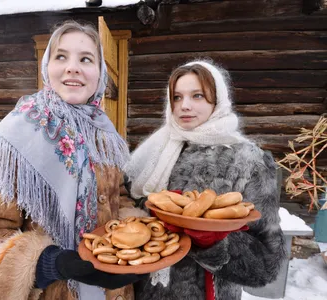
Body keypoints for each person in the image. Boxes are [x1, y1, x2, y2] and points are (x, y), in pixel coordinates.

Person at [0, 20, 142, 300]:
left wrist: (136, 233)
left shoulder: (105, 135)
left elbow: (117, 198)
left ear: (100, 73)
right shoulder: (17, 135)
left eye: (86, 59)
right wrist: (50, 264)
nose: (73, 67)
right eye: (61, 56)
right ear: (47, 67)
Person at [123, 60, 287, 300]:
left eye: (197, 96)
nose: (184, 106)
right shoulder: (153, 153)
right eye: (177, 97)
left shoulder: (247, 161)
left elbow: (267, 264)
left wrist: (214, 241)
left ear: (217, 100)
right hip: (144, 290)